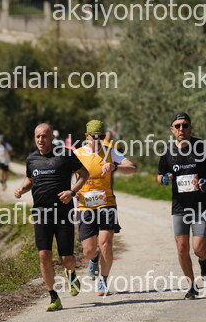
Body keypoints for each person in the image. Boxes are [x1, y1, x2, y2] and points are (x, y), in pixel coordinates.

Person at [14, 124, 89, 311]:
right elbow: (31, 179)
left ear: (52, 138)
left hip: (63, 213)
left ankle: (71, 274)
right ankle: (54, 297)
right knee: (43, 255)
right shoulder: (31, 159)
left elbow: (84, 174)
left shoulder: (65, 154)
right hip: (41, 213)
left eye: (44, 136)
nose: (41, 140)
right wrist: (22, 189)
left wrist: (72, 192)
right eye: (37, 136)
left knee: (67, 258)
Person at [158, 112, 206, 300]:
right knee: (182, 248)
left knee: (198, 247)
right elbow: (160, 175)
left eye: (185, 125)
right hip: (179, 207)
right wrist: (164, 179)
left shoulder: (200, 146)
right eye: (177, 126)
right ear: (172, 129)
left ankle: (205, 258)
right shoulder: (168, 151)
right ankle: (192, 286)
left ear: (190, 127)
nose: (181, 129)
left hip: (201, 205)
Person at [74, 120, 137, 296]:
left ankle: (103, 280)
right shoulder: (77, 154)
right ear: (86, 136)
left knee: (106, 244)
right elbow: (67, 175)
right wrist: (73, 190)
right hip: (85, 205)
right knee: (88, 249)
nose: (98, 140)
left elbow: (132, 168)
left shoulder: (110, 152)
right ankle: (93, 258)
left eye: (101, 136)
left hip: (107, 204)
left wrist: (115, 166)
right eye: (94, 137)